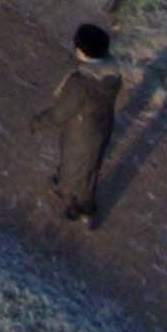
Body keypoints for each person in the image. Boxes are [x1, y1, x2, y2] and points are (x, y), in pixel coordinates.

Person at [46, 24, 126, 221]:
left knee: (84, 169)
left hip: (80, 127)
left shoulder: (81, 82)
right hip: (99, 125)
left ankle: (84, 208)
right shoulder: (111, 71)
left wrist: (40, 121)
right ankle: (66, 183)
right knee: (83, 163)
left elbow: (62, 111)